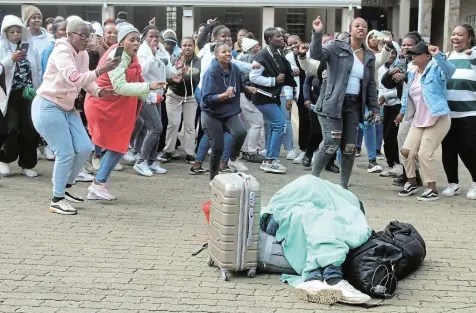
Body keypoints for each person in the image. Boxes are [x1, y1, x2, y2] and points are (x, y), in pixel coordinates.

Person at [31, 18, 120, 215]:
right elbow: (74, 78)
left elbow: (85, 82)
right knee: (65, 152)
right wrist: (102, 70)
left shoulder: (82, 54)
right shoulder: (61, 51)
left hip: (66, 107)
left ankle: (65, 189)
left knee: (84, 147)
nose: (87, 39)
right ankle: (56, 199)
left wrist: (99, 92)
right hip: (47, 105)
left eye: (88, 35)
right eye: (82, 35)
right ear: (70, 35)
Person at [85, 22, 165, 200]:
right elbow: (120, 87)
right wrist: (148, 87)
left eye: (138, 40)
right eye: (132, 40)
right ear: (122, 41)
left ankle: (97, 185)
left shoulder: (131, 56)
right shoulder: (118, 56)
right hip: (104, 106)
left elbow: (136, 79)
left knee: (119, 146)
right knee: (118, 146)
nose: (136, 43)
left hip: (116, 107)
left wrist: (150, 96)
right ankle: (97, 183)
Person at [309, 16, 380, 189]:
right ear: (350, 29)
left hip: (353, 106)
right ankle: (311, 182)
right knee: (330, 145)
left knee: (349, 148)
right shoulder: (335, 47)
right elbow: (316, 54)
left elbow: (370, 84)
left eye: (364, 26)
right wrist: (317, 33)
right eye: (357, 25)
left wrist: (374, 108)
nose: (361, 28)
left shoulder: (369, 56)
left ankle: (344, 185)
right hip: (332, 104)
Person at [395, 42, 456, 201]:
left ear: (427, 56)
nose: (413, 57)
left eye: (417, 54)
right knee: (406, 151)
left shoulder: (436, 69)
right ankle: (412, 182)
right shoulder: (412, 73)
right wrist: (402, 113)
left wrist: (438, 54)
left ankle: (432, 189)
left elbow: (450, 71)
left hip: (438, 118)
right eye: (412, 54)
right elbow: (406, 96)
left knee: (424, 154)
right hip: (419, 119)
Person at [200, 42, 251, 180]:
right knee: (217, 147)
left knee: (241, 132)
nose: (228, 54)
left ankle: (232, 159)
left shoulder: (234, 68)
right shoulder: (210, 72)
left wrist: (247, 89)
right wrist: (223, 95)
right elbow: (207, 98)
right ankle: (213, 178)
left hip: (229, 111)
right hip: (211, 113)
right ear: (216, 55)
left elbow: (239, 85)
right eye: (224, 52)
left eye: (229, 51)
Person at [250, 27, 297, 174]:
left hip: (272, 97)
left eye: (282, 36)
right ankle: (271, 160)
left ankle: (268, 160)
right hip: (263, 97)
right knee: (280, 124)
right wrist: (273, 81)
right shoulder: (262, 55)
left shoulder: (277, 53)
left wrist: (293, 71)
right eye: (278, 36)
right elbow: (253, 77)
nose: (282, 38)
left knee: (274, 126)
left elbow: (285, 68)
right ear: (270, 40)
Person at [0, 15, 42, 177]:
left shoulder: (31, 48)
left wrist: (37, 91)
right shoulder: (2, 47)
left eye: (18, 31)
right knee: (12, 127)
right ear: (6, 33)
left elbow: (37, 71)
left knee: (30, 129)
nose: (16, 34)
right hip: (8, 95)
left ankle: (27, 164)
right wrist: (11, 59)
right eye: (12, 32)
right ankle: (4, 159)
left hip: (28, 94)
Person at [132, 25, 173, 176]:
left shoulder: (161, 50)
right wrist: (152, 55)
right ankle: (141, 161)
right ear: (145, 37)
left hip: (158, 93)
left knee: (158, 127)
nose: (154, 39)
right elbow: (142, 70)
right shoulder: (142, 51)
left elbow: (166, 69)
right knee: (155, 127)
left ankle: (151, 160)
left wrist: (177, 71)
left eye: (157, 36)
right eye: (151, 36)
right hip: (145, 93)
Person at [441, 24, 476, 200]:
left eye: (459, 35)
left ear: (469, 37)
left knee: (468, 149)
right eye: (453, 34)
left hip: (469, 112)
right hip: (447, 114)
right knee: (448, 150)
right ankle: (452, 183)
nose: (455, 37)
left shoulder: (474, 55)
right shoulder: (447, 57)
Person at [161, 37, 201, 164]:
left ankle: (190, 153)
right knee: (173, 123)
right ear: (181, 47)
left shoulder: (197, 60)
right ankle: (169, 151)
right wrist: (176, 74)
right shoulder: (175, 58)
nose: (187, 48)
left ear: (194, 46)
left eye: (190, 45)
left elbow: (196, 75)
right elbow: (167, 76)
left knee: (190, 126)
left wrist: (184, 73)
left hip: (190, 97)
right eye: (184, 45)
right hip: (173, 95)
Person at [238, 36, 265, 163]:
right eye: (256, 46)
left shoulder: (240, 57)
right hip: (247, 95)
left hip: (242, 94)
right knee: (257, 123)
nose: (258, 48)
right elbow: (250, 79)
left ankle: (245, 150)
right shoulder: (251, 59)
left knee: (249, 124)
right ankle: (251, 151)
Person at [378, 48, 404, 178]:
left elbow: (401, 90)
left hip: (398, 106)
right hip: (386, 107)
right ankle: (391, 164)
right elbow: (380, 87)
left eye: (393, 53)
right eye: (388, 53)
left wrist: (385, 95)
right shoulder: (381, 67)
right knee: (386, 136)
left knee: (391, 135)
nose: (391, 55)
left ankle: (398, 164)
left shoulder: (399, 68)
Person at [285, 34, 310, 164]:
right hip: (300, 95)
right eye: (290, 44)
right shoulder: (288, 58)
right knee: (304, 122)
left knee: (315, 123)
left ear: (301, 41)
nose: (294, 46)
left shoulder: (309, 52)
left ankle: (314, 151)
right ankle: (304, 150)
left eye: (296, 42)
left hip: (313, 93)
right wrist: (289, 98)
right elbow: (289, 81)